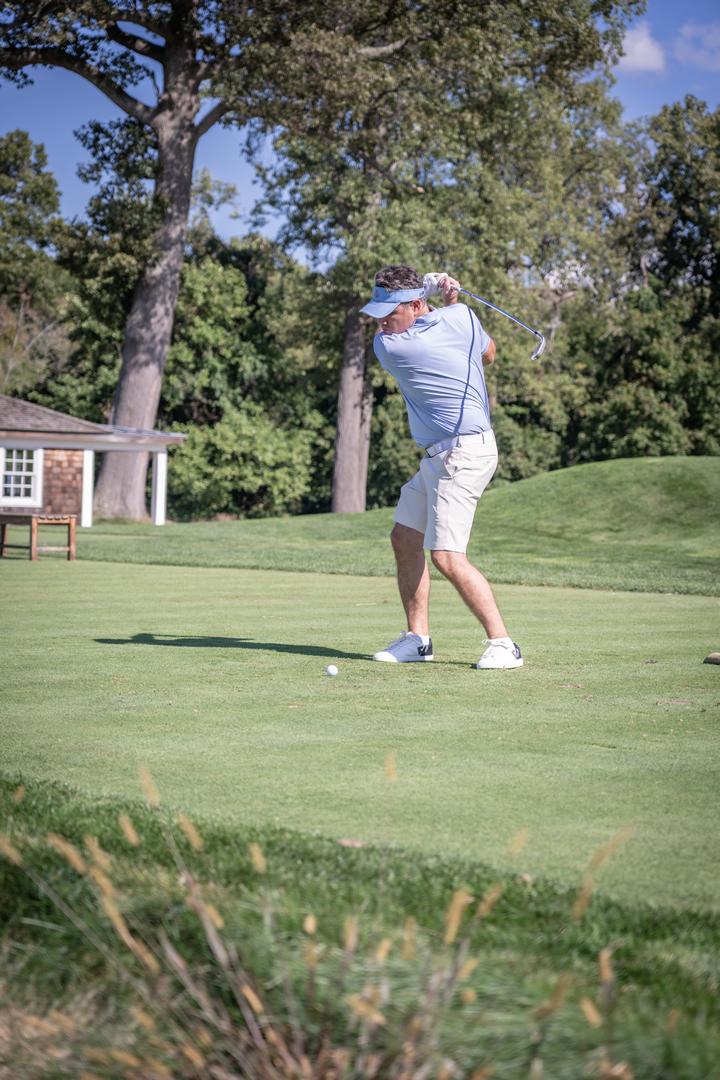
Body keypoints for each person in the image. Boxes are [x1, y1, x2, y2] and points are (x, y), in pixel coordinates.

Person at [360, 264, 523, 669]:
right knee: (404, 537)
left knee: (447, 556)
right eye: (378, 314)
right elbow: (489, 353)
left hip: (464, 453)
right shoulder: (461, 318)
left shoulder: (392, 348)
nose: (381, 324)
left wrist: (438, 298)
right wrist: (450, 303)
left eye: (390, 313)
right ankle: (418, 640)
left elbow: (447, 335)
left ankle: (504, 644)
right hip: (439, 455)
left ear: (415, 306)